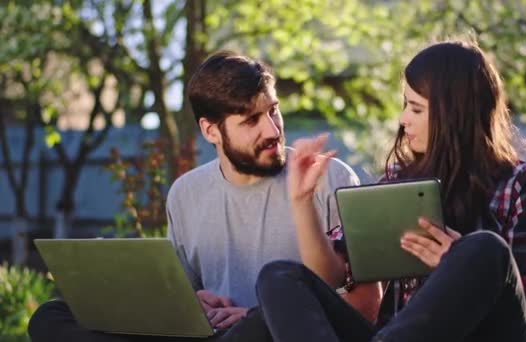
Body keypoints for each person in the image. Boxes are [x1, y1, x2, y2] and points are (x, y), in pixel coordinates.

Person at [28, 51, 373, 341]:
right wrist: (195, 304)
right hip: (212, 335)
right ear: (211, 131)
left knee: (266, 317)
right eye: (251, 120)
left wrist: (260, 312)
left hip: (270, 333)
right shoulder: (186, 194)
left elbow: (363, 308)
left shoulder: (331, 178)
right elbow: (179, 300)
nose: (272, 129)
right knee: (51, 316)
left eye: (273, 110)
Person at [256, 39, 526, 342]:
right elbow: (332, 276)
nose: (403, 120)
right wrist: (301, 201)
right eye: (405, 106)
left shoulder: (524, 185)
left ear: (454, 114)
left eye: (415, 109)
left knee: (485, 249)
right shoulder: (401, 181)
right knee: (279, 277)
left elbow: (524, 307)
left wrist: (456, 268)